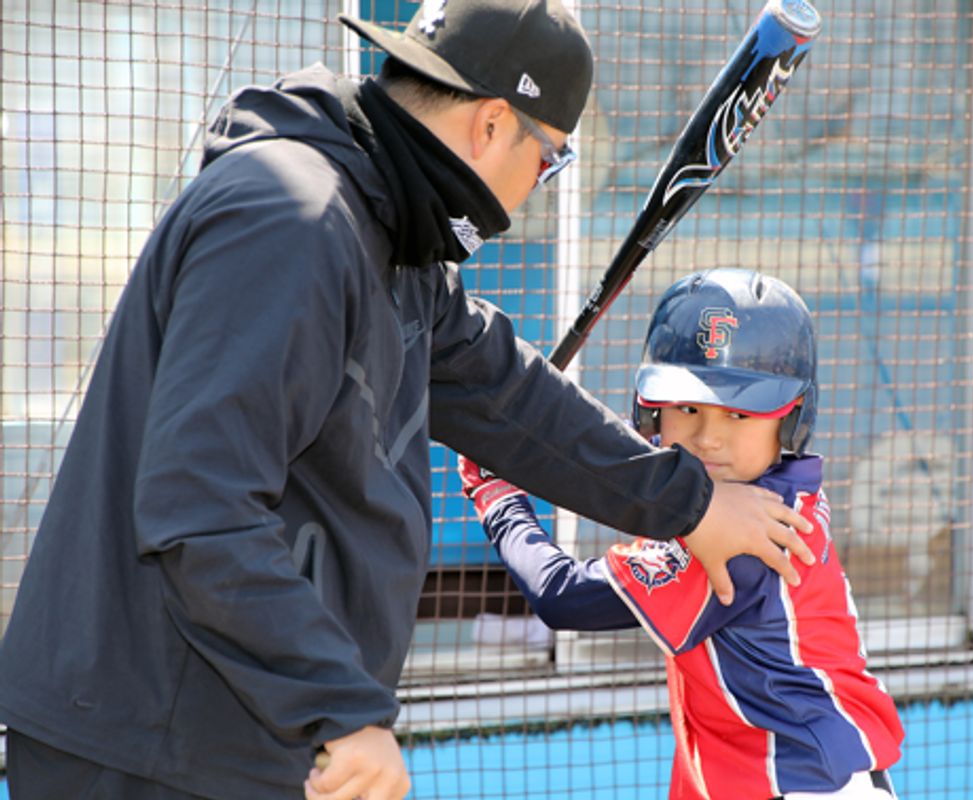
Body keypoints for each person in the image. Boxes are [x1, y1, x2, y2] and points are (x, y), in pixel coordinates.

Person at [0, 4, 816, 800]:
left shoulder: (388, 235)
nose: (539, 186)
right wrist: (340, 707)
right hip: (147, 744)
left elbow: (507, 395)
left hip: (233, 734)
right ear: (492, 125)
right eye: (551, 159)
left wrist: (686, 502)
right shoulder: (293, 221)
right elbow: (198, 508)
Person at [459, 267, 906, 799]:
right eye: (687, 408)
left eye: (740, 413)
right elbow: (632, 479)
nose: (708, 438)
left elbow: (565, 598)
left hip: (810, 785)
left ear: (790, 420)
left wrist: (499, 498)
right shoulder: (761, 487)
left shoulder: (750, 533)